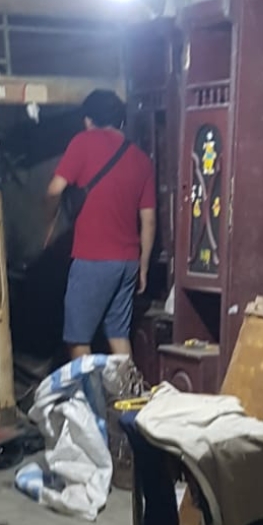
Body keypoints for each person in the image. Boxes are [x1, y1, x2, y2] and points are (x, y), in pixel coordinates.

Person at [46, 89, 157, 358]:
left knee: (77, 338)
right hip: (128, 262)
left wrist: (50, 223)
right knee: (118, 335)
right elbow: (149, 219)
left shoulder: (83, 142)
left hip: (93, 259)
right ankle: (127, 386)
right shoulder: (141, 159)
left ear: (88, 120)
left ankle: (89, 389)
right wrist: (143, 267)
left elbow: (54, 190)